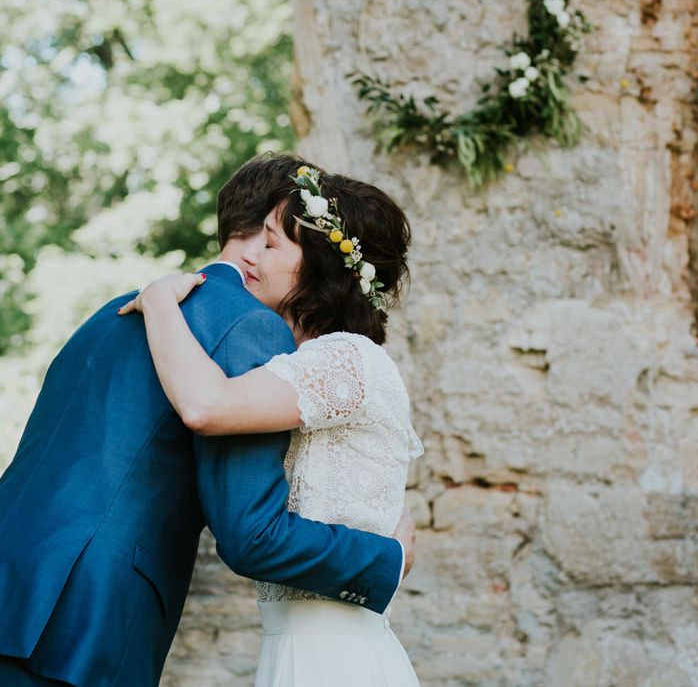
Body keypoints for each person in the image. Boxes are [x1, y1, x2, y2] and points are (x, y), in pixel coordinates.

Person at [0, 153, 414, 686]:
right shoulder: (250, 328)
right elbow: (250, 533)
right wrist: (389, 558)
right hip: (83, 615)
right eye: (267, 236)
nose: (264, 250)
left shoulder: (112, 312)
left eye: (277, 239)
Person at [118, 161, 423, 685]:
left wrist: (160, 300)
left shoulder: (348, 358)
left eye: (273, 243)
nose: (249, 256)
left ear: (321, 266)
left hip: (337, 659)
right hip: (291, 648)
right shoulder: (298, 367)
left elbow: (206, 407)